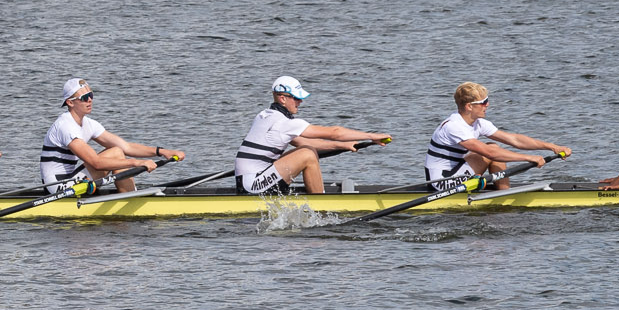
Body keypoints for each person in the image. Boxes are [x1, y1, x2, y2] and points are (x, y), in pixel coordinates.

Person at [233, 76, 391, 195]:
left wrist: (342, 146)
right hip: (252, 186)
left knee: (306, 150)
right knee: (307, 155)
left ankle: (316, 195)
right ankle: (320, 203)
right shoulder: (284, 123)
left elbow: (302, 142)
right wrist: (372, 136)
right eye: (296, 98)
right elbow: (334, 132)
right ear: (282, 98)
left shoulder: (264, 115)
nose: (300, 102)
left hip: (249, 180)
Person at [41, 79, 179, 192]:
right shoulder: (66, 126)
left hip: (72, 180)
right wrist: (137, 163)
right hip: (58, 187)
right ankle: (130, 200)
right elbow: (96, 163)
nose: (89, 100)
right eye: (84, 98)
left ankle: (130, 195)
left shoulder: (89, 124)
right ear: (70, 102)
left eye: (91, 96)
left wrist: (162, 151)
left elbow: (127, 147)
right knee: (116, 153)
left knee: (117, 150)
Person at [424, 82, 568, 183]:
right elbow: (490, 153)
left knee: (492, 145)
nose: (487, 105)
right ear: (469, 107)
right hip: (443, 181)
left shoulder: (478, 123)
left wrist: (553, 147)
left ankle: (503, 192)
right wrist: (529, 158)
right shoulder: (454, 126)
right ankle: (504, 196)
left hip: (455, 172)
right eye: (483, 102)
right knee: (491, 150)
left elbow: (515, 140)